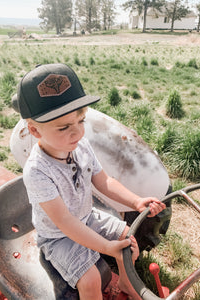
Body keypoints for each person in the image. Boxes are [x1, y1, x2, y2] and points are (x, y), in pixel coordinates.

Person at [15, 63, 165, 300]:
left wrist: (136, 201)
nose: (77, 133)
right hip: (57, 235)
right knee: (91, 279)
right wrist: (105, 248)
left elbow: (104, 181)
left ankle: (127, 284)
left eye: (81, 121)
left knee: (129, 241)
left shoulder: (80, 145)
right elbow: (64, 222)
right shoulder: (37, 171)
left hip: (87, 216)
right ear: (34, 131)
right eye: (64, 127)